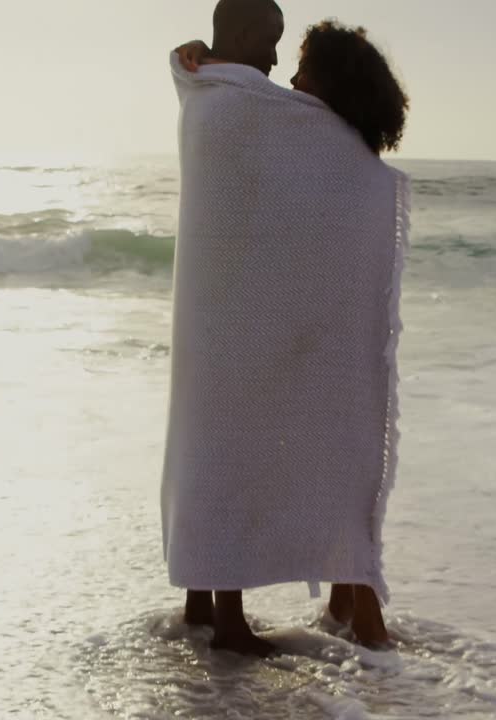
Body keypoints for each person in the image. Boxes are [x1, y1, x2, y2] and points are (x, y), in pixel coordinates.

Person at [166, 4, 409, 657]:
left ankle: (205, 605)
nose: (281, 69)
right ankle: (229, 623)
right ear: (246, 35)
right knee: (225, 451)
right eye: (273, 46)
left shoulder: (213, 93)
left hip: (215, 312)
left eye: (298, 63)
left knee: (210, 449)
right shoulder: (246, 104)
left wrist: (196, 56)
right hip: (234, 317)